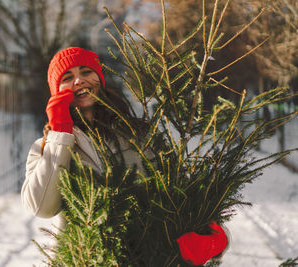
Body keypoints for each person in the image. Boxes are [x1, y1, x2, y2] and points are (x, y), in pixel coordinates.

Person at [21, 47, 228, 266]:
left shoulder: (139, 133)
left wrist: (208, 234)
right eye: (68, 77)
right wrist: (61, 134)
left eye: (86, 72)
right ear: (56, 90)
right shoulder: (44, 148)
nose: (79, 81)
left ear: (99, 78)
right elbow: (41, 207)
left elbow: (178, 191)